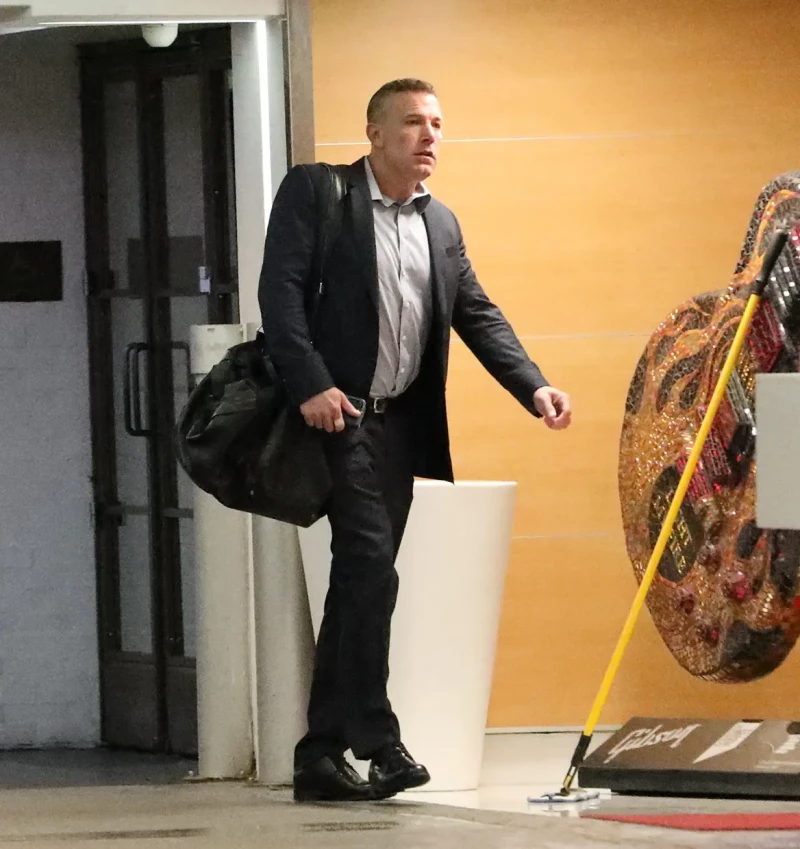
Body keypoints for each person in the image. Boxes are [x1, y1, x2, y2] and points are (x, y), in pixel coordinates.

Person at [259, 78, 571, 803]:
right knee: (371, 567)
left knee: (359, 581)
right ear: (373, 133)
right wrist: (309, 382)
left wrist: (533, 385)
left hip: (403, 426)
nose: (428, 136)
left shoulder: (442, 224)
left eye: (436, 123)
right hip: (337, 418)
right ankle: (378, 737)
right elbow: (280, 291)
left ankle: (319, 753)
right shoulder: (318, 192)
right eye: (410, 123)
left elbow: (476, 312)